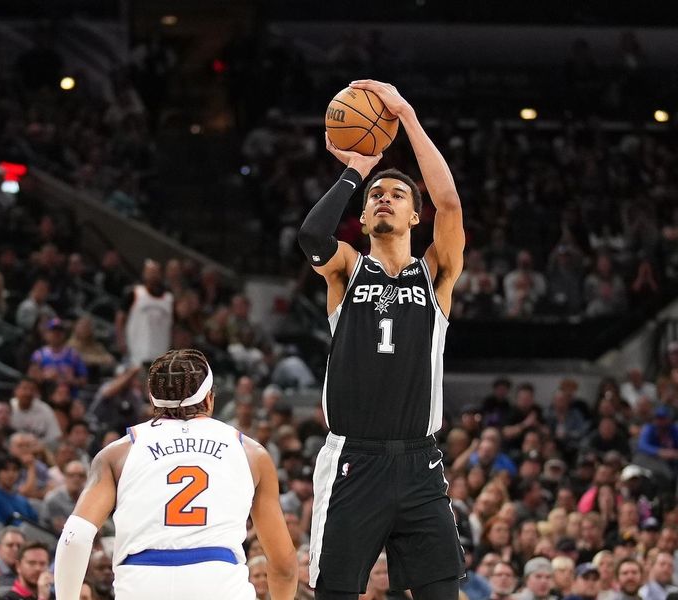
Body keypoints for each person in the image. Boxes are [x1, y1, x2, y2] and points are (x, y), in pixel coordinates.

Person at [299, 80, 465, 599]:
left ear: (416, 216)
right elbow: (311, 236)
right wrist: (359, 168)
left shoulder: (435, 273)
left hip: (420, 460)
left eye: (397, 195)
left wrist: (407, 118)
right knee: (337, 592)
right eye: (376, 197)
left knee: (441, 591)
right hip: (355, 459)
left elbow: (451, 204)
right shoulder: (348, 268)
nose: (385, 200)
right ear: (364, 217)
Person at [54, 348, 297, 600]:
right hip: (218, 582)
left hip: (142, 582)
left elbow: (75, 538)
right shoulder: (252, 453)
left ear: (152, 400)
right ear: (209, 399)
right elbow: (284, 566)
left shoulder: (117, 453)